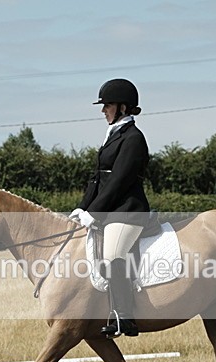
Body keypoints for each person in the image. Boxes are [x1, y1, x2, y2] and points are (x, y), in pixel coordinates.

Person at [69, 78, 151, 338]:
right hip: (112, 210)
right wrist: (82, 208)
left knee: (113, 254)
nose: (103, 110)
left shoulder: (134, 138)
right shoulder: (114, 135)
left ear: (123, 107)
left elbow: (119, 180)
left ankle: (123, 317)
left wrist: (95, 213)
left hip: (128, 211)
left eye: (108, 105)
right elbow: (98, 178)